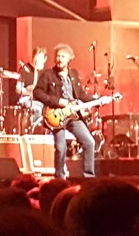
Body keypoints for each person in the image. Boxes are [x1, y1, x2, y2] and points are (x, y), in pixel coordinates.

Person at [32, 43, 98, 179]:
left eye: (62, 56)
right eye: (57, 56)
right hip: (57, 116)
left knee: (89, 142)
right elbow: (37, 92)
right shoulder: (48, 75)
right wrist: (58, 101)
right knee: (61, 148)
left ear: (69, 59)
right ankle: (60, 179)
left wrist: (96, 100)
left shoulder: (73, 74)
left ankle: (88, 177)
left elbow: (80, 95)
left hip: (73, 115)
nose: (59, 59)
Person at [16, 47, 48, 130]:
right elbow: (18, 88)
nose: (37, 62)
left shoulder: (47, 73)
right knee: (37, 109)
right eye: (35, 60)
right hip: (28, 100)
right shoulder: (25, 69)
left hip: (43, 101)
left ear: (45, 59)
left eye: (40, 60)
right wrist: (28, 92)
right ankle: (35, 131)